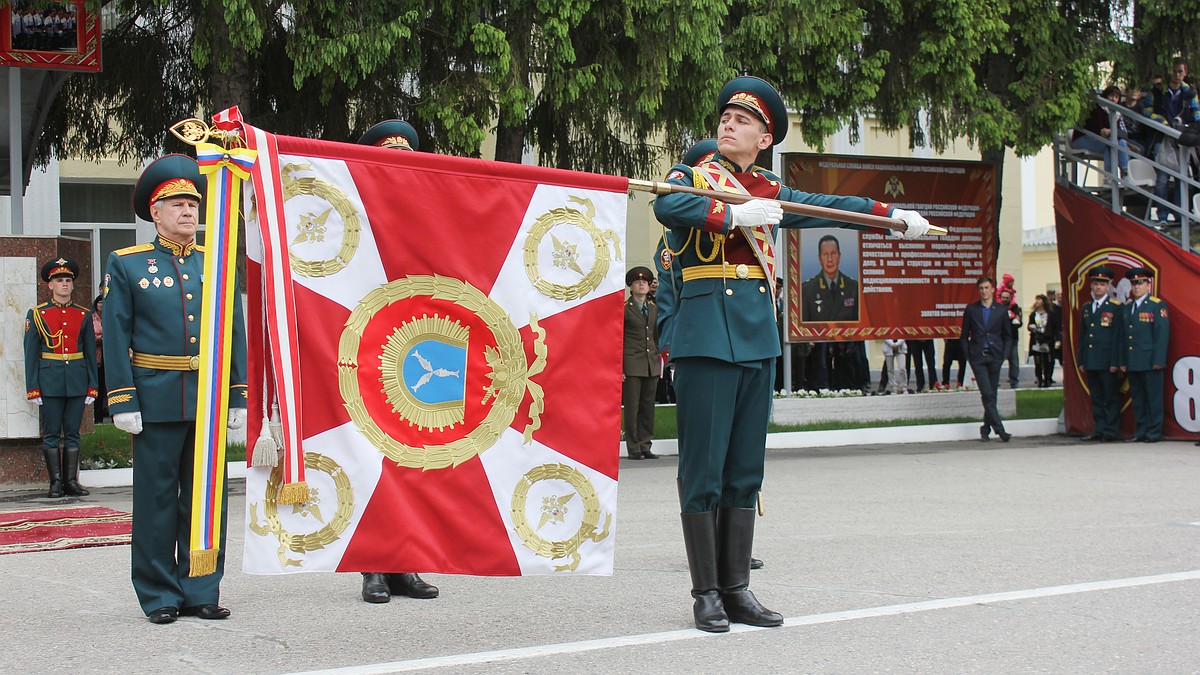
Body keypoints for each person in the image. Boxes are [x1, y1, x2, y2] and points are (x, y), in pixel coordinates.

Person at [653, 75, 931, 632]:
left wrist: (890, 215)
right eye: (725, 117)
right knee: (703, 470)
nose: (728, 124)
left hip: (756, 341)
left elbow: (826, 204)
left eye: (742, 121)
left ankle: (737, 589)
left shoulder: (768, 190)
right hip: (707, 338)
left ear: (763, 139)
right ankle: (705, 592)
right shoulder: (692, 175)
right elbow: (670, 206)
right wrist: (731, 215)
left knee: (744, 471)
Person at [103, 154, 247, 624]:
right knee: (157, 501)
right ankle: (159, 594)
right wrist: (122, 397)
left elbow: (234, 331)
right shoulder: (127, 264)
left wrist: (237, 394)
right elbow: (117, 333)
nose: (189, 211)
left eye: (193, 203)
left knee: (207, 499)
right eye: (178, 203)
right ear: (156, 212)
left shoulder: (217, 262)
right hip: (156, 396)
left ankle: (201, 588)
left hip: (205, 396)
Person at [355, 119, 441, 603]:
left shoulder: (425, 217)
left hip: (421, 347)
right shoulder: (360, 218)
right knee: (371, 455)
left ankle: (407, 561)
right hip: (367, 348)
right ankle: (372, 565)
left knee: (414, 456)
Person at [24, 257, 98, 499]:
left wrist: (92, 386)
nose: (64, 284)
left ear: (73, 285)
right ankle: (55, 483)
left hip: (77, 379)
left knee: (73, 432)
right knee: (52, 433)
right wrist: (33, 387)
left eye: (67, 280)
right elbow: (30, 354)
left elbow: (90, 352)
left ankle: (71, 482)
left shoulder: (83, 314)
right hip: (50, 381)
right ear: (50, 285)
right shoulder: (37, 314)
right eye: (59, 281)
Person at [1143, 58, 1200, 224]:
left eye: (1180, 72)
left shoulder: (1190, 93)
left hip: (1181, 140)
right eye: (1175, 71)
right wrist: (1161, 121)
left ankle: (1180, 214)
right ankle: (1162, 215)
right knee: (1162, 178)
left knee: (1181, 178)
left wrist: (1191, 128)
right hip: (1161, 137)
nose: (1177, 75)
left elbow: (1197, 115)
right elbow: (1147, 110)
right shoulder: (1159, 91)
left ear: (1185, 73)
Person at [1117, 267, 1170, 443]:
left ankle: (1154, 432)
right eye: (1134, 284)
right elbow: (1124, 337)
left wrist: (1158, 360)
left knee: (1153, 399)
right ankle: (1141, 430)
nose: (1137, 287)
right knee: (1138, 399)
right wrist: (1123, 360)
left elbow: (1161, 335)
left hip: (1150, 361)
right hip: (1133, 361)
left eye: (1140, 283)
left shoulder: (1156, 305)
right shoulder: (1128, 308)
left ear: (1148, 284)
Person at [961, 276, 1012, 442]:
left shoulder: (1001, 310)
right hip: (978, 357)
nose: (984, 291)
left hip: (995, 355)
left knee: (992, 395)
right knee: (987, 393)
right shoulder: (971, 309)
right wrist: (968, 354)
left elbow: (1008, 336)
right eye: (981, 288)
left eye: (986, 288)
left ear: (992, 289)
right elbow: (964, 335)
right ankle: (1000, 429)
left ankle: (985, 428)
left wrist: (1004, 354)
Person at [1077, 267, 1123, 442]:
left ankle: (1111, 431)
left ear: (1108, 287)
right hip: (1091, 360)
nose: (1098, 287)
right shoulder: (1087, 308)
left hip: (1107, 361)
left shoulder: (1115, 307)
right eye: (1096, 283)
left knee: (1110, 396)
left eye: (1102, 284)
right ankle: (1099, 429)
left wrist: (1115, 362)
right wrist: (1082, 360)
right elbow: (1083, 336)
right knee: (1096, 397)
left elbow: (1118, 337)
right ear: (1091, 285)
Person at [623, 266, 661, 460]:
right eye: (637, 282)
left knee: (648, 407)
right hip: (631, 364)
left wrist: (657, 360)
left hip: (650, 364)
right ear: (631, 286)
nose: (641, 285)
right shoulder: (624, 310)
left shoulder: (653, 309)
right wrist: (619, 367)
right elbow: (617, 339)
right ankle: (634, 447)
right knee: (632, 407)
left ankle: (645, 444)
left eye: (645, 282)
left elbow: (655, 337)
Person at [1072, 85, 1130, 180]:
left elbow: (1123, 134)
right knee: (1111, 143)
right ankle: (1111, 175)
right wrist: (1113, 132)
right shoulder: (1097, 108)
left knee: (1121, 142)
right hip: (1082, 139)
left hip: (1103, 140)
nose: (1113, 99)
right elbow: (1100, 131)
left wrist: (1111, 132)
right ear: (1105, 96)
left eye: (1116, 97)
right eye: (1111, 96)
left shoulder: (1117, 113)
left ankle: (1122, 173)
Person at [801, 234, 859, 322]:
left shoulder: (854, 288)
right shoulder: (807, 290)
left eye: (833, 253)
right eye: (825, 254)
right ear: (819, 258)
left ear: (839, 256)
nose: (829, 259)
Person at [1027, 295, 1054, 387]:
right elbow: (1029, 325)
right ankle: (1039, 379)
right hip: (1036, 340)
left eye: (1039, 299)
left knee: (1047, 361)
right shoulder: (1034, 314)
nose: (1037, 301)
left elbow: (1054, 326)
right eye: (1036, 300)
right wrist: (1031, 327)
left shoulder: (1049, 314)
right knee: (1037, 361)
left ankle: (1047, 379)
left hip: (1047, 340)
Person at [998, 288, 1022, 388]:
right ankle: (995, 381)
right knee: (998, 361)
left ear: (1010, 298)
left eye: (1007, 298)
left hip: (1012, 339)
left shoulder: (1016, 309)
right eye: (1003, 297)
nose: (1004, 299)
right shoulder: (996, 308)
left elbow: (1018, 323)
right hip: (999, 339)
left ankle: (1014, 382)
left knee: (1014, 362)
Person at [92, 294, 108, 423]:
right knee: (98, 388)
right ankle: (98, 417)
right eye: (99, 303)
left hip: (109, 358)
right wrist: (100, 339)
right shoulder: (92, 319)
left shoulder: (110, 317)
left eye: (103, 302)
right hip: (97, 358)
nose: (101, 305)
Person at [1046, 288, 1063, 381]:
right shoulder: (1052, 308)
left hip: (1063, 335)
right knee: (1051, 358)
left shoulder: (1066, 307)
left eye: (1062, 294)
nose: (1060, 296)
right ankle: (1049, 377)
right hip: (1054, 335)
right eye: (1059, 294)